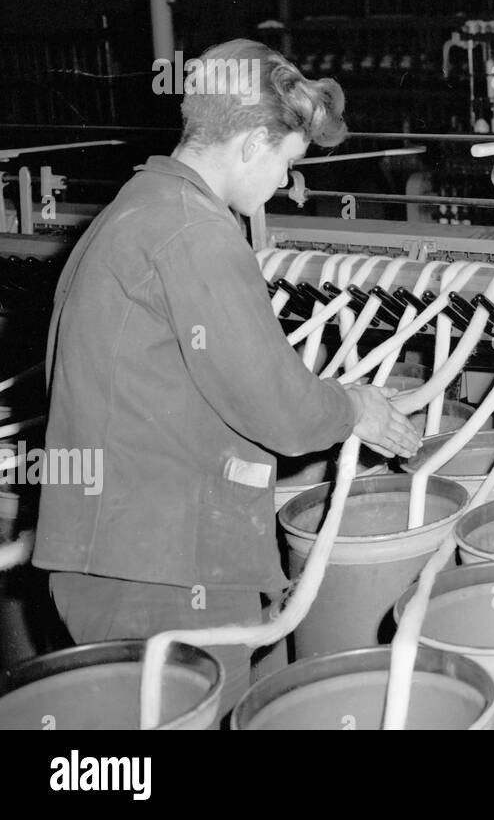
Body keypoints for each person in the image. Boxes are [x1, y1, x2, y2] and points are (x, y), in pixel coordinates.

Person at [32, 39, 420, 718]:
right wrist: (355, 405)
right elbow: (281, 408)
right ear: (249, 141)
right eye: (286, 162)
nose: (287, 185)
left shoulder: (131, 211)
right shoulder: (197, 233)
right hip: (168, 577)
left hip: (113, 556)